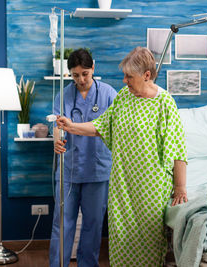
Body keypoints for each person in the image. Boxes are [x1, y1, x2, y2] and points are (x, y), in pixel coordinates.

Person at [56, 47, 188, 266]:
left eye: (129, 76)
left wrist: (180, 187)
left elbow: (178, 150)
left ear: (147, 75)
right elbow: (101, 126)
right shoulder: (124, 97)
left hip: (151, 187)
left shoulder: (165, 103)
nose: (125, 80)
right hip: (122, 186)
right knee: (121, 242)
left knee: (148, 243)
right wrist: (72, 127)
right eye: (124, 75)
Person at [49, 48, 117, 267]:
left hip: (97, 170)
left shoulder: (108, 94)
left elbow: (116, 127)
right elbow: (57, 125)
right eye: (75, 75)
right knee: (62, 223)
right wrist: (56, 140)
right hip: (69, 169)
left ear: (93, 68)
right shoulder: (64, 94)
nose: (80, 79)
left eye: (85, 74)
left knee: (93, 224)